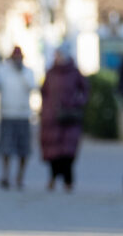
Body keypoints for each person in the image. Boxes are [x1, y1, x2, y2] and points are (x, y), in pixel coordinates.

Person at [39, 42, 90, 192]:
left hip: (70, 116)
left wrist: (77, 102)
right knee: (52, 150)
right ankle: (53, 177)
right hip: (51, 116)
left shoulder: (74, 72)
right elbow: (44, 92)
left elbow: (85, 90)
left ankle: (68, 180)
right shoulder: (50, 72)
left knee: (68, 151)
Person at [0, 46, 36, 189]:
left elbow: (32, 86)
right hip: (7, 113)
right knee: (5, 147)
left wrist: (21, 73)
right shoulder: (3, 71)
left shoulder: (28, 72)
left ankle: (20, 176)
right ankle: (5, 175)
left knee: (23, 148)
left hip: (23, 114)